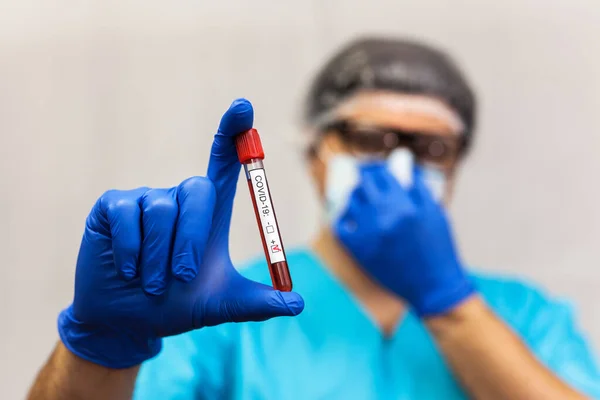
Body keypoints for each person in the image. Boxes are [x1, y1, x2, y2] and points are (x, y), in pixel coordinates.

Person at [28, 37, 600, 400]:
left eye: (431, 149)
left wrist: (450, 304)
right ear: (315, 153)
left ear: (457, 165)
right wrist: (100, 348)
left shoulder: (528, 317)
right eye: (369, 139)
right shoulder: (223, 311)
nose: (400, 166)